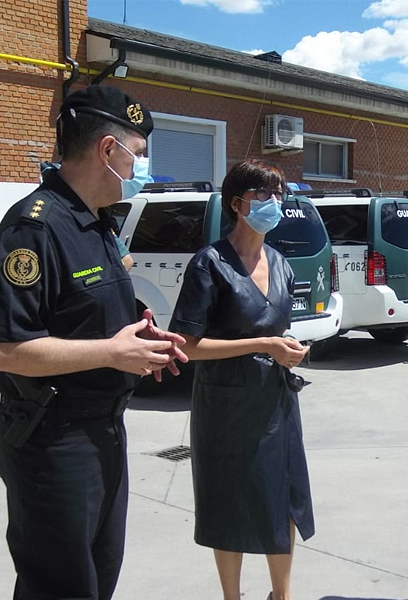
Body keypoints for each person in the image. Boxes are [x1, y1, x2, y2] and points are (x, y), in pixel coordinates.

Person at [0, 85, 187, 600]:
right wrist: (113, 352)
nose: (140, 168)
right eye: (137, 155)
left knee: (98, 575)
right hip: (54, 437)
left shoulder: (96, 222)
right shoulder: (35, 228)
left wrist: (139, 334)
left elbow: (83, 314)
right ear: (107, 151)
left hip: (103, 429)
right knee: (61, 586)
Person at [168, 159, 314, 600]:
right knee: (227, 502)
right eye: (264, 195)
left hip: (275, 401)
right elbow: (186, 345)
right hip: (226, 406)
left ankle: (281, 595)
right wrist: (263, 346)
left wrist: (286, 346)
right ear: (237, 203)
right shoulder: (210, 263)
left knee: (283, 497)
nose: (275, 203)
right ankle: (232, 596)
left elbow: (275, 327)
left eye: (279, 194)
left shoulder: (280, 263)